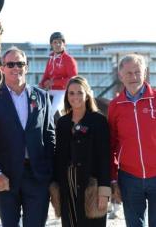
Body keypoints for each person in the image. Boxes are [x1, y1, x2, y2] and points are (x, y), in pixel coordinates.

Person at [0, 46, 55, 227]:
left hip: (37, 176)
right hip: (5, 177)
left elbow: (50, 135)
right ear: (2, 68)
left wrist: (49, 171)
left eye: (20, 64)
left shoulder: (42, 97)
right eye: (10, 64)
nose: (15, 68)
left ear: (26, 67)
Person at [51, 75, 110, 226]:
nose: (75, 96)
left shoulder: (98, 121)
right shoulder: (62, 123)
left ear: (87, 95)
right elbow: (58, 157)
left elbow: (105, 157)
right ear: (66, 96)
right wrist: (55, 189)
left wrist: (104, 191)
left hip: (91, 188)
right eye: (71, 93)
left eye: (80, 92)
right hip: (67, 187)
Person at [109, 54, 156, 227]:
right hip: (129, 178)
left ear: (145, 73)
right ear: (121, 76)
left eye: (137, 72)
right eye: (128, 73)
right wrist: (113, 178)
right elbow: (111, 145)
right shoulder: (115, 106)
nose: (133, 77)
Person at [39, 31, 78, 118]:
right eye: (55, 42)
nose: (58, 44)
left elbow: (73, 79)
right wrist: (42, 84)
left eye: (60, 42)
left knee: (53, 109)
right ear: (51, 45)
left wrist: (53, 83)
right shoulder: (51, 58)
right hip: (49, 90)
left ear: (64, 44)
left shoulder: (69, 59)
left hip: (62, 91)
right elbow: (46, 75)